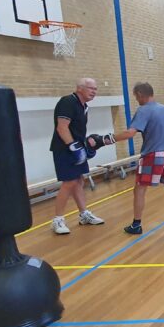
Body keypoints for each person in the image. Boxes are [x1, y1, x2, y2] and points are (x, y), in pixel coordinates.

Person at [104, 82, 164, 234]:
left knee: (140, 189)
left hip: (153, 154)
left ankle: (136, 224)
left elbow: (130, 133)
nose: (136, 100)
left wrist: (108, 139)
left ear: (140, 94)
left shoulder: (143, 110)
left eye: (136, 97)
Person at [48, 78, 105, 235]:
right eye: (91, 88)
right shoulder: (67, 102)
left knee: (79, 180)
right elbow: (62, 127)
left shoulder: (83, 106)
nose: (94, 91)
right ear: (80, 88)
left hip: (77, 148)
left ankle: (84, 214)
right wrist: (74, 147)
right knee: (69, 182)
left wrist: (84, 145)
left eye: (95, 89)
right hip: (64, 149)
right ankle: (57, 220)